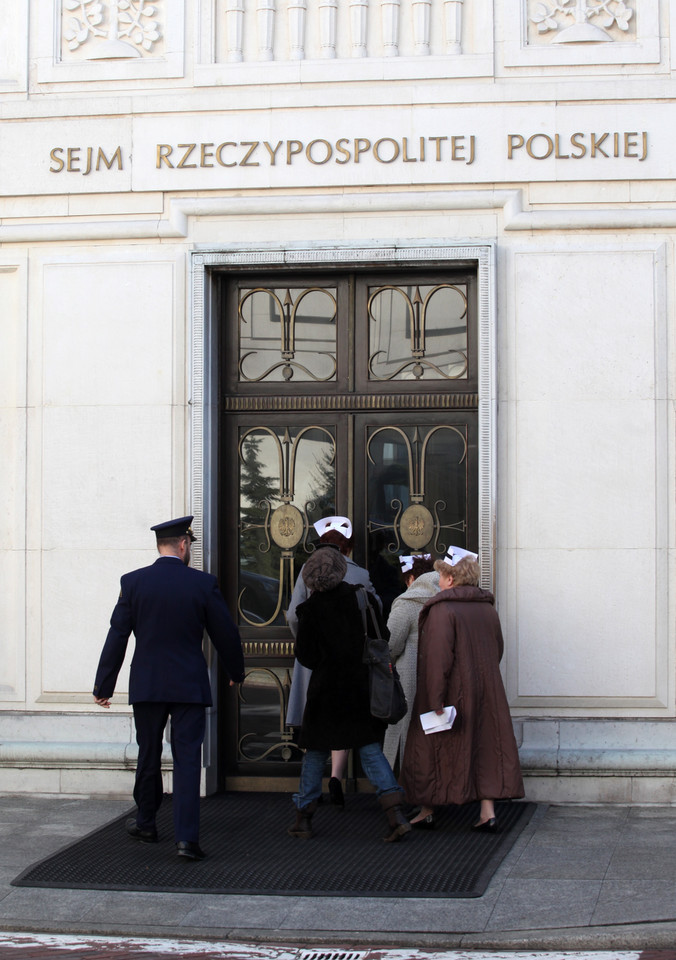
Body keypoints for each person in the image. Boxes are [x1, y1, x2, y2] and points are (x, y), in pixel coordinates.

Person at [93, 516, 244, 861]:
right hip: (188, 683)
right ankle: (186, 840)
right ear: (183, 544)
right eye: (189, 544)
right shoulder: (202, 584)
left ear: (161, 545)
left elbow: (117, 635)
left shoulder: (133, 583)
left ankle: (146, 822)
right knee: (187, 759)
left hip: (147, 683)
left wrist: (104, 684)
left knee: (148, 754)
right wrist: (236, 670)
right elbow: (226, 632)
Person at [287, 545, 411, 842]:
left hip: (325, 690)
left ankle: (304, 817)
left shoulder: (311, 609)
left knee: (315, 752)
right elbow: (383, 635)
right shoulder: (362, 597)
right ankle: (395, 813)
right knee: (369, 748)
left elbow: (305, 656)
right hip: (359, 684)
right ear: (342, 570)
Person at [400, 551, 524, 831]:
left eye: (442, 575)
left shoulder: (443, 610)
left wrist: (435, 698)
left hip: (452, 691)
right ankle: (487, 812)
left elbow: (437, 659)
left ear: (451, 578)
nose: (439, 581)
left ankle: (427, 808)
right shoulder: (487, 608)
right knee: (486, 747)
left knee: (430, 746)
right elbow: (497, 649)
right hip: (487, 690)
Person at [285, 515, 381, 807]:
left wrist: (306, 639)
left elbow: (292, 615)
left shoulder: (307, 571)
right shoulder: (361, 575)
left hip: (315, 662)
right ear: (347, 548)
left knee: (314, 730)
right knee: (352, 724)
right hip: (351, 662)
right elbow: (375, 615)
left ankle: (306, 803)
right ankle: (339, 778)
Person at [381, 554, 438, 771]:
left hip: (407, 677)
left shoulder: (406, 603)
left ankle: (403, 785)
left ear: (411, 578)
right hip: (436, 676)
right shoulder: (441, 599)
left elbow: (392, 643)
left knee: (404, 732)